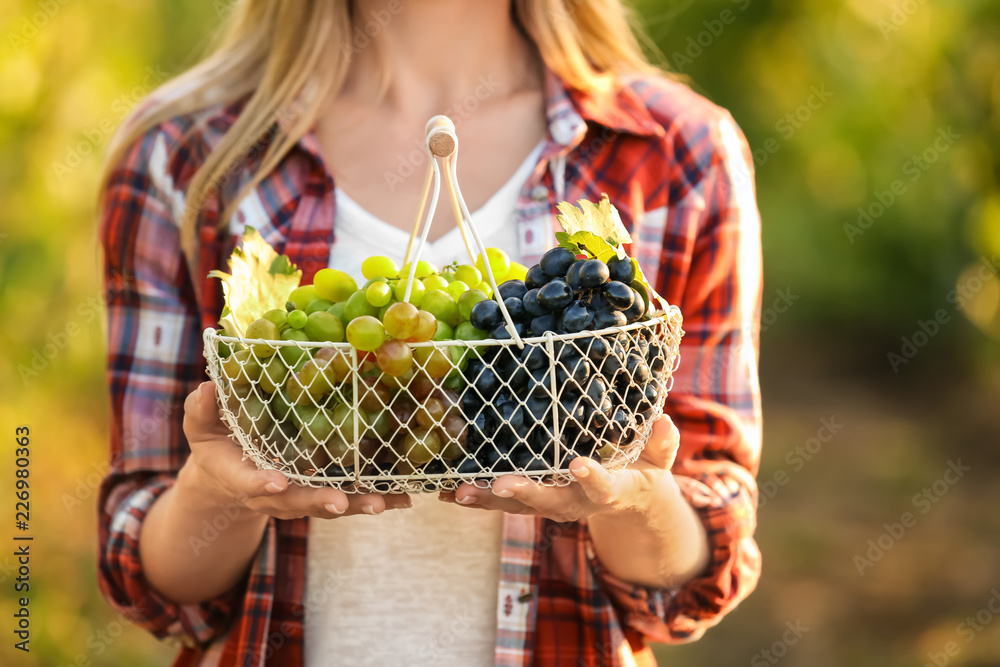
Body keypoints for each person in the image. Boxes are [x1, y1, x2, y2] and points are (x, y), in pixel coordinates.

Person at [97, 1, 763, 665]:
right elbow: (155, 582)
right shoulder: (182, 154)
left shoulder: (679, 152)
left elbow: (694, 570)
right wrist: (219, 494)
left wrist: (633, 501)